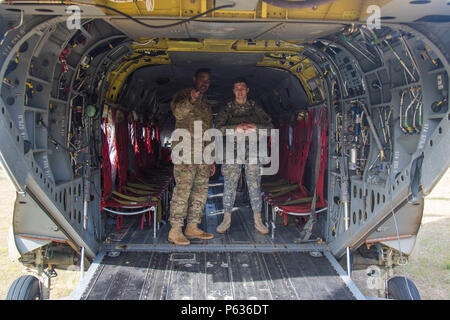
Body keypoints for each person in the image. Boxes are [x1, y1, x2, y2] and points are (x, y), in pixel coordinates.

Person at [215, 77, 273, 234]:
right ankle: (226, 220)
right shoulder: (227, 109)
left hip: (253, 152)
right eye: (237, 88)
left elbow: (270, 128)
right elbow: (217, 129)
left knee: (254, 185)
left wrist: (255, 126)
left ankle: (258, 221)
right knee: (229, 186)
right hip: (232, 153)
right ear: (233, 91)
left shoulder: (255, 108)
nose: (240, 91)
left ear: (247, 90)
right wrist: (236, 128)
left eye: (242, 88)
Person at [168, 68, 216, 245]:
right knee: (183, 191)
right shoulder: (182, 95)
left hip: (203, 155)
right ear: (194, 79)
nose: (205, 83)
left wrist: (211, 157)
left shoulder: (207, 104)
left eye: (208, 81)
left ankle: (192, 227)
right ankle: (175, 230)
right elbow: (178, 113)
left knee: (200, 192)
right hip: (186, 153)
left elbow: (209, 131)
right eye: (202, 79)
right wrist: (190, 100)